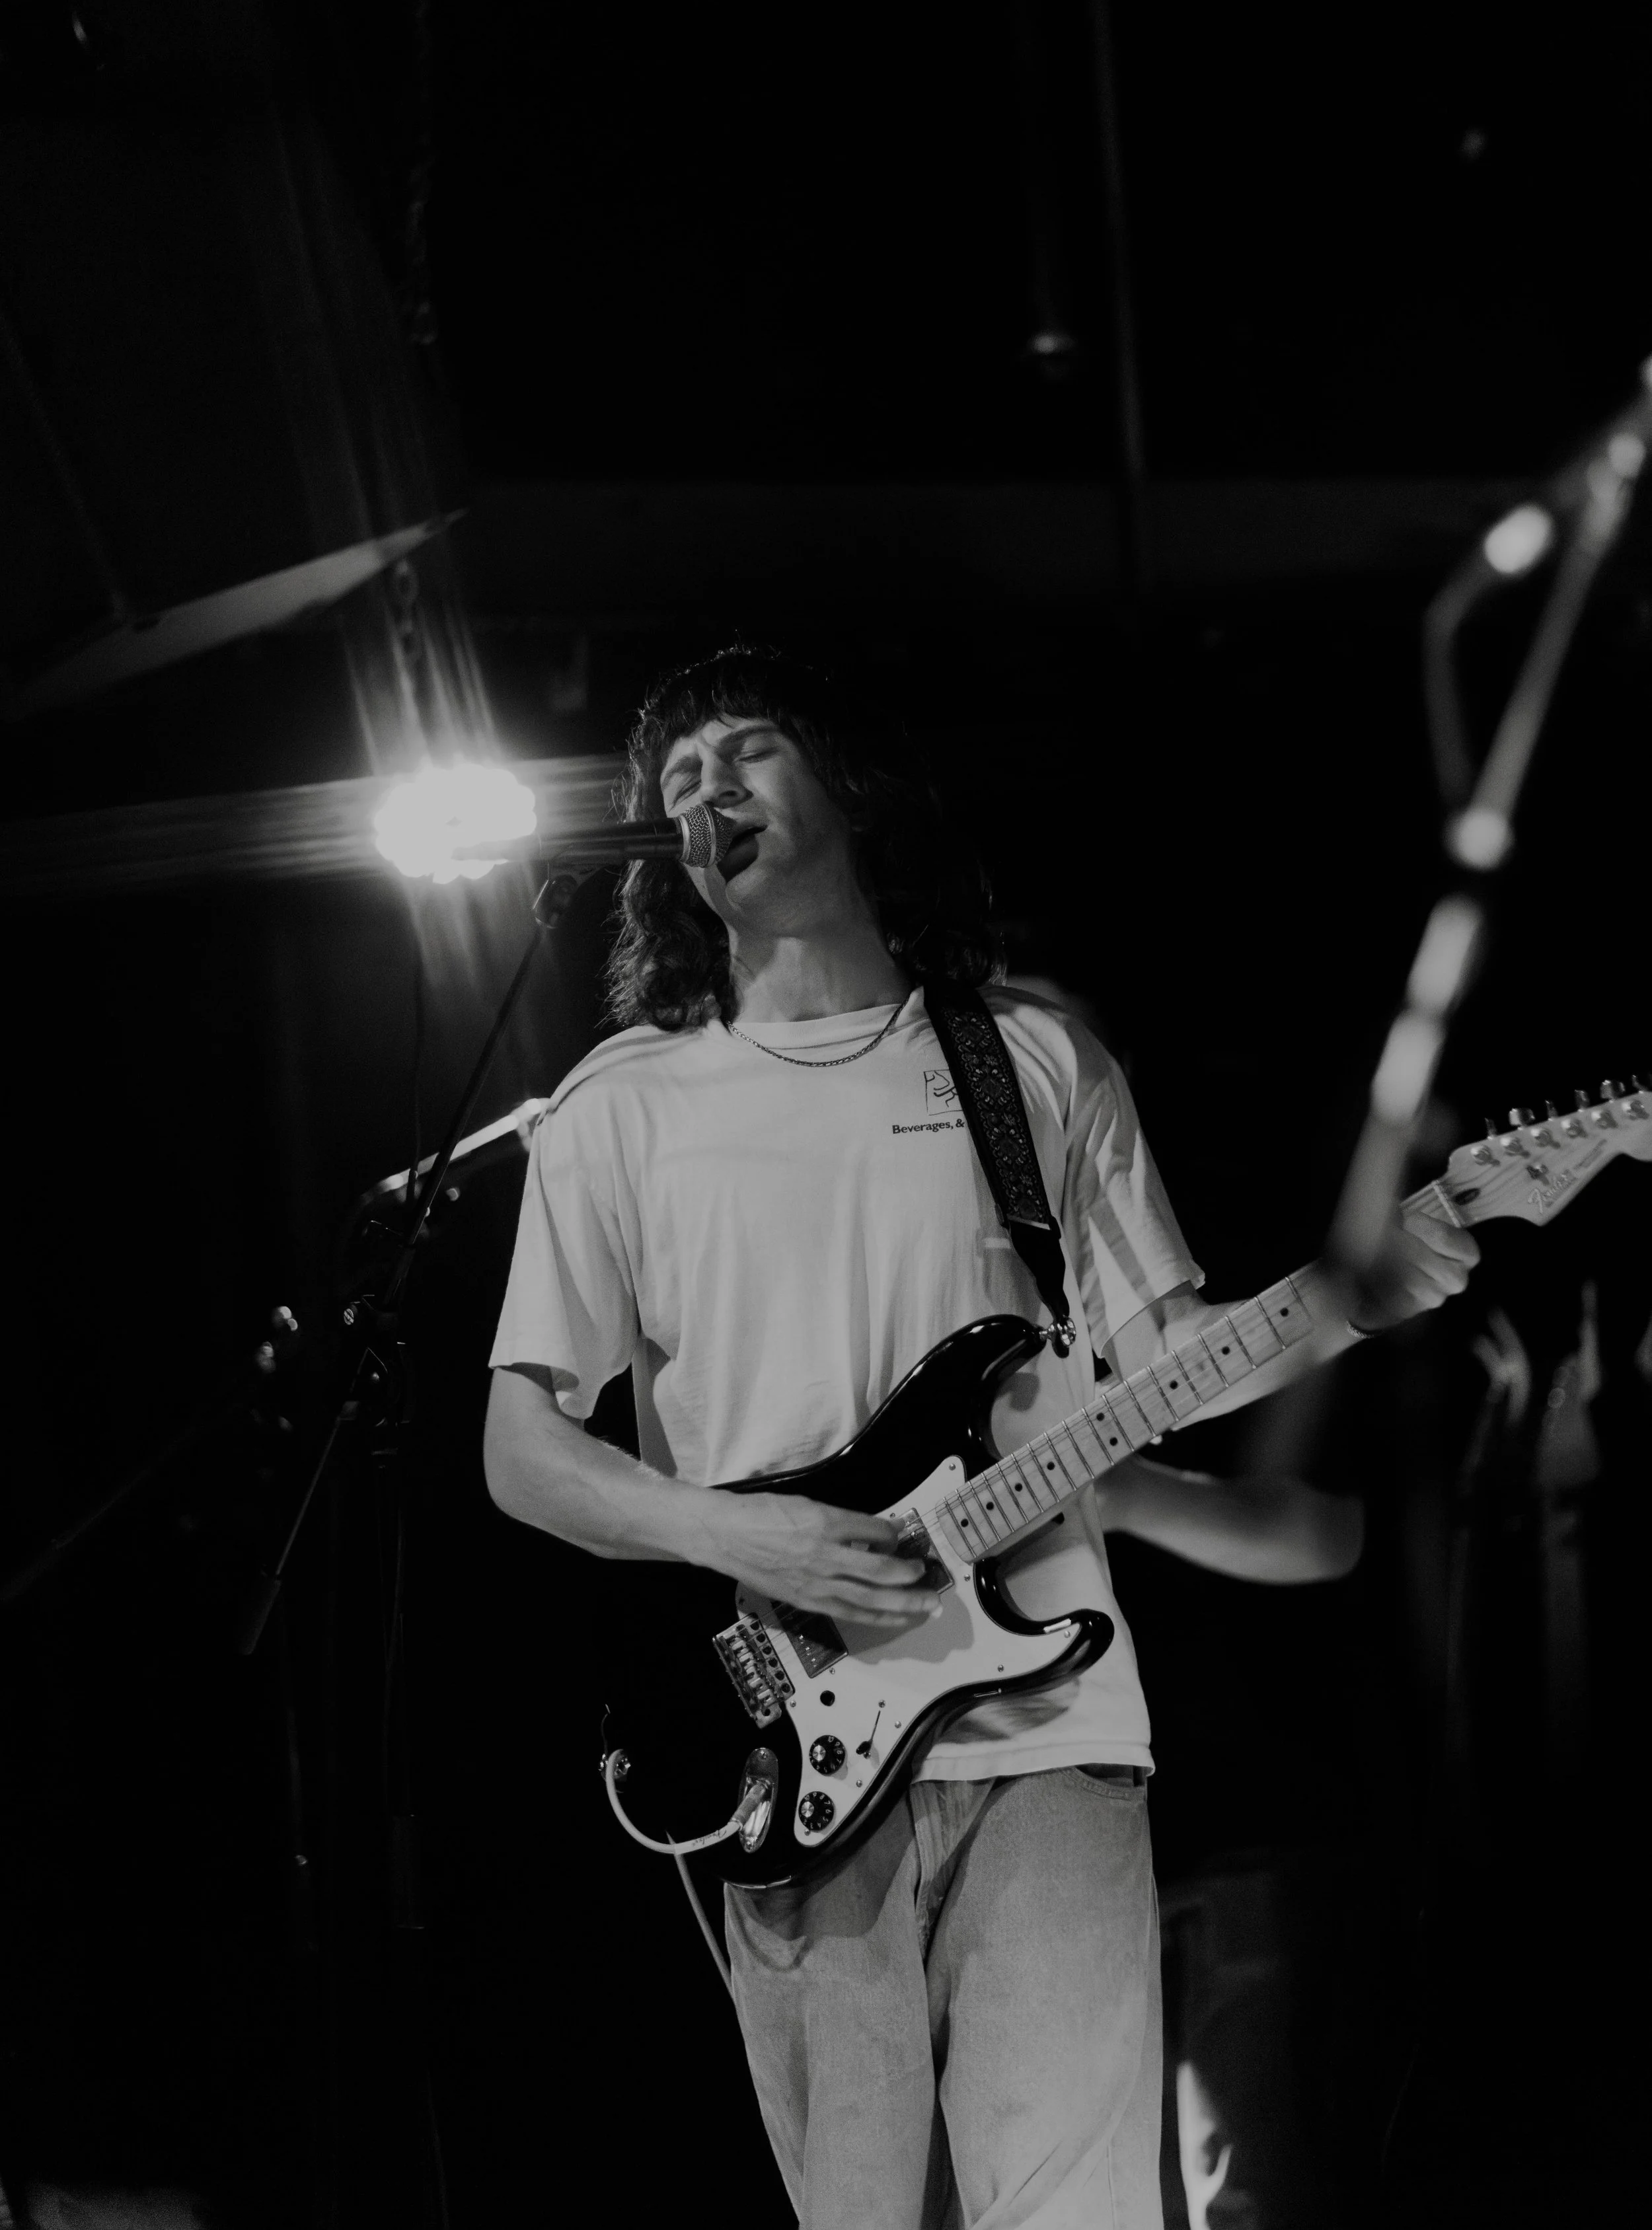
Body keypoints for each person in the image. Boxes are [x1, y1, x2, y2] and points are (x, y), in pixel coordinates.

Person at [482, 648, 1476, 2230]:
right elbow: (521, 1449)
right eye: (672, 783)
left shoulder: (1026, 1060)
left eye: (744, 752)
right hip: (785, 1734)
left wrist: (1362, 1294)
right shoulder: (621, 1106)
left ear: (849, 784)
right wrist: (744, 1535)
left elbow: (1165, 1357)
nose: (703, 793)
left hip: (1055, 1721)